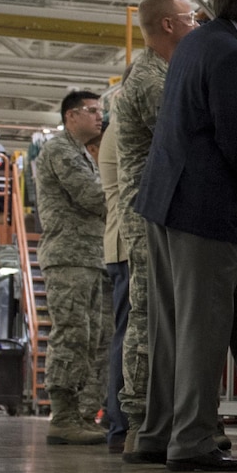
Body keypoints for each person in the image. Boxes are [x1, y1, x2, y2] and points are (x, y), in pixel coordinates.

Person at [131, 0, 237, 472]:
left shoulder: (198, 43)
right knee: (202, 325)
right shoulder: (232, 52)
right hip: (203, 204)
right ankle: (192, 439)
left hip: (166, 200)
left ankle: (158, 432)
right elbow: (236, 136)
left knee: (175, 322)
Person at [114, 0, 196, 455]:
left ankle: (159, 420)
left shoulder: (165, 72)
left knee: (164, 314)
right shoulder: (150, 79)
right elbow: (185, 131)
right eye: (189, 18)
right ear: (167, 25)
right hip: (149, 212)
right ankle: (141, 422)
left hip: (160, 208)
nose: (195, 26)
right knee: (149, 315)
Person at [35, 90, 110, 446]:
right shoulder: (59, 150)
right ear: (70, 116)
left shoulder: (83, 154)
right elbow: (93, 196)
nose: (99, 117)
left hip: (90, 258)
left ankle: (82, 414)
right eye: (92, 111)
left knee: (94, 339)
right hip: (68, 257)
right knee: (72, 335)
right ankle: (63, 416)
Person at [98, 120, 132, 453]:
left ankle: (121, 424)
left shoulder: (117, 125)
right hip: (126, 245)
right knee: (129, 335)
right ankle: (121, 426)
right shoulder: (124, 121)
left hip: (124, 243)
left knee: (129, 333)